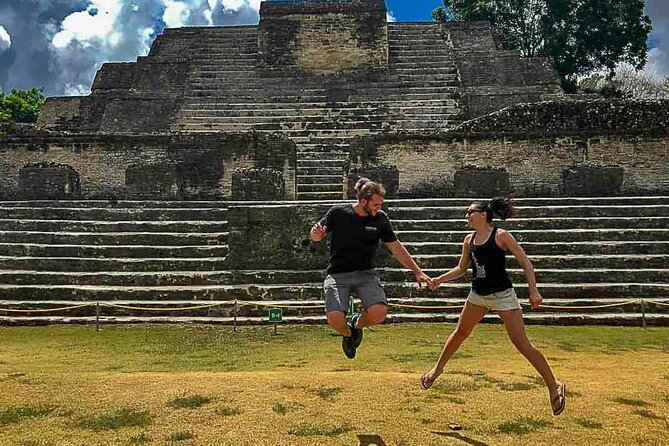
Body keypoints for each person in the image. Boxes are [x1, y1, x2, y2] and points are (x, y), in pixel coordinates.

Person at [420, 197, 566, 416]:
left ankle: (554, 386)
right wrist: (439, 280)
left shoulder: (501, 235)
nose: (466, 216)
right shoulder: (468, 240)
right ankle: (436, 370)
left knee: (522, 343)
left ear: (483, 215)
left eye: (470, 212)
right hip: (478, 295)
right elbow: (461, 268)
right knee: (460, 332)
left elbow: (525, 263)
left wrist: (534, 290)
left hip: (503, 296)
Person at [310, 178, 432, 359]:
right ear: (362, 201)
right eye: (376, 204)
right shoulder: (338, 213)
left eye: (380, 204)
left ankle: (357, 326)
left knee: (378, 313)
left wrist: (417, 271)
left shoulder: (381, 219)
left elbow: (396, 247)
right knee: (335, 319)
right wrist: (316, 235)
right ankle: (348, 334)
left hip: (365, 274)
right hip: (338, 275)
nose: (378, 207)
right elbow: (316, 234)